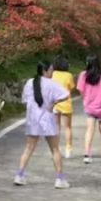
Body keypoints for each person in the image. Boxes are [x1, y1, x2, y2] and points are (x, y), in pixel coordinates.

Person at [15, 61, 71, 189]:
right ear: (45, 71)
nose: (52, 72)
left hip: (33, 120)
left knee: (28, 148)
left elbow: (25, 100)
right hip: (48, 120)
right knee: (55, 150)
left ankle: (20, 175)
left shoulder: (30, 83)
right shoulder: (52, 85)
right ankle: (59, 179)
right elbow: (66, 94)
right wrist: (54, 103)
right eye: (51, 70)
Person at [77, 56, 101, 164]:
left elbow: (80, 90)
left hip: (90, 107)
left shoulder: (83, 75)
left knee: (89, 130)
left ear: (88, 63)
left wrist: (86, 98)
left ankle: (87, 155)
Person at [51, 55, 76, 158]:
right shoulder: (69, 75)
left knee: (56, 128)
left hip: (55, 104)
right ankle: (68, 150)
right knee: (68, 128)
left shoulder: (53, 74)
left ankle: (55, 150)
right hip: (66, 104)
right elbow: (72, 88)